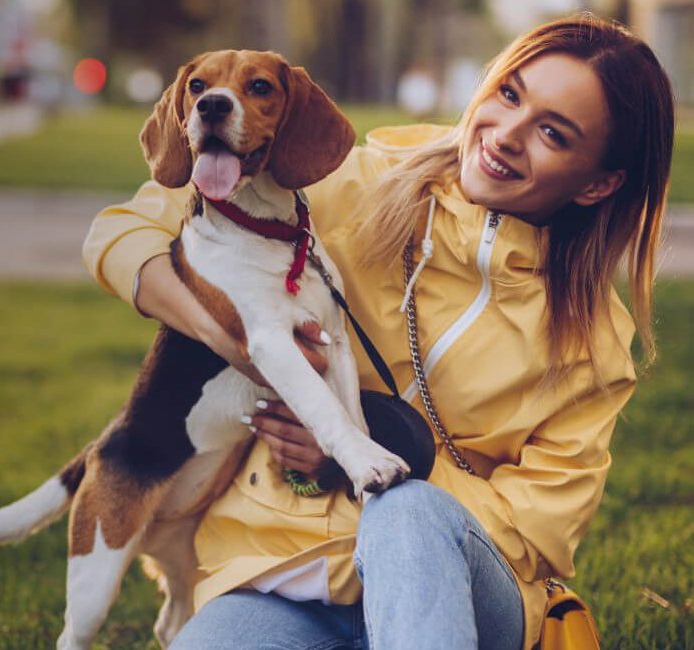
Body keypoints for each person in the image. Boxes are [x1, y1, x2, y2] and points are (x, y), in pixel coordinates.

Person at [82, 14, 674, 650]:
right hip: (286, 572)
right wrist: (233, 340)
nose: (505, 134)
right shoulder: (353, 185)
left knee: (407, 512)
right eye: (509, 93)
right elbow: (124, 231)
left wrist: (356, 454)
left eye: (553, 132)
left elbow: (539, 532)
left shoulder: (595, 345)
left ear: (600, 182)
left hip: (464, 593)